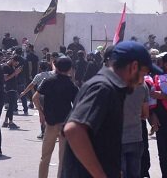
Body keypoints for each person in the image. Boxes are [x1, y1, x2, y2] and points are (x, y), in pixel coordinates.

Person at [63, 41, 158, 178]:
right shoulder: (103, 88)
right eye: (143, 74)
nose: (141, 81)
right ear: (134, 67)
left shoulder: (111, 87)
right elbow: (73, 130)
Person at [34, 57, 78, 178]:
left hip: (51, 123)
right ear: (70, 69)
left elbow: (35, 97)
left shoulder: (48, 80)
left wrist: (41, 113)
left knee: (45, 157)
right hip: (65, 124)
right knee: (63, 159)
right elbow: (78, 104)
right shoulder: (71, 85)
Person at [121, 81, 151, 178]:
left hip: (118, 139)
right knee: (135, 174)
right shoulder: (142, 85)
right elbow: (145, 114)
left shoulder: (111, 84)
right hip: (136, 137)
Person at [2, 55, 23, 129]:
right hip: (9, 88)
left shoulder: (11, 67)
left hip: (13, 87)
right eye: (15, 63)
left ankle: (5, 121)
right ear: (12, 60)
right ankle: (10, 122)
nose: (16, 65)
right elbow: (6, 78)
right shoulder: (6, 67)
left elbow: (13, 77)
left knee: (12, 105)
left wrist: (16, 72)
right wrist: (15, 73)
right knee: (11, 105)